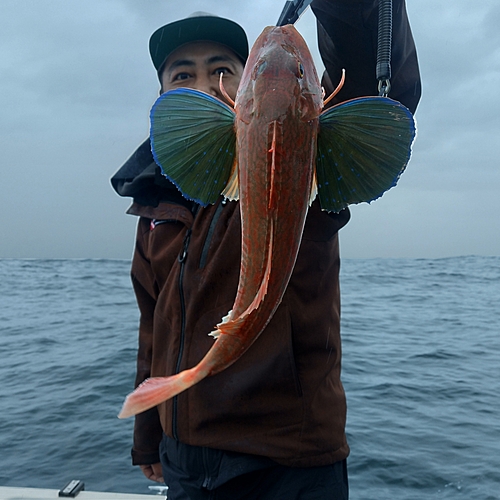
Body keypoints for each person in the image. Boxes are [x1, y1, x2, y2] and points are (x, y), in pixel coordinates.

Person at [111, 2, 421, 498]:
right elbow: (155, 329)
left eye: (221, 71)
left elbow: (369, 88)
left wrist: (349, 11)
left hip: (288, 462)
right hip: (185, 457)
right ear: (163, 95)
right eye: (182, 74)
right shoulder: (155, 209)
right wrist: (149, 437)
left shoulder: (309, 162)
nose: (204, 84)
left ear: (240, 91)